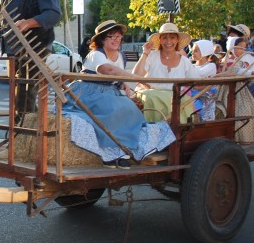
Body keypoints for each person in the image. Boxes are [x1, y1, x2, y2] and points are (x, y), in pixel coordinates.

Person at [61, 20, 173, 168]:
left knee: (131, 110)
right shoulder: (96, 54)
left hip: (108, 92)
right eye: (110, 36)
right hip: (89, 92)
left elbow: (115, 78)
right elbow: (108, 70)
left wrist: (123, 84)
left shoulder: (121, 56)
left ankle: (124, 150)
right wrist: (134, 78)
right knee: (115, 110)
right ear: (102, 39)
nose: (115, 39)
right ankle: (111, 153)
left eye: (118, 36)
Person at [131, 22, 200, 123]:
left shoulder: (184, 61)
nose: (168, 41)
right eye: (165, 38)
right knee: (150, 96)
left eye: (172, 37)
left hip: (175, 97)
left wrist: (215, 79)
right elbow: (136, 75)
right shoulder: (152, 56)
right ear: (160, 40)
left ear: (177, 40)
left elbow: (197, 82)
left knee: (184, 99)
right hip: (151, 95)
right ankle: (153, 129)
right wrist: (145, 53)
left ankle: (179, 131)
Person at [219, 37, 254, 143]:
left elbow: (242, 71)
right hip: (229, 89)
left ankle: (251, 136)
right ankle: (240, 137)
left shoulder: (239, 60)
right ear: (232, 47)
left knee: (253, 109)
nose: (242, 50)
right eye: (240, 48)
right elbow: (237, 71)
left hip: (240, 88)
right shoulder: (228, 59)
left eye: (244, 48)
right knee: (241, 111)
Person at [187, 40, 219, 121]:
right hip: (193, 93)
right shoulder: (193, 65)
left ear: (205, 52)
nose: (192, 53)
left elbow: (200, 74)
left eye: (196, 51)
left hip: (205, 96)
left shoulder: (211, 66)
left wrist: (186, 65)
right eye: (192, 51)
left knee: (200, 109)